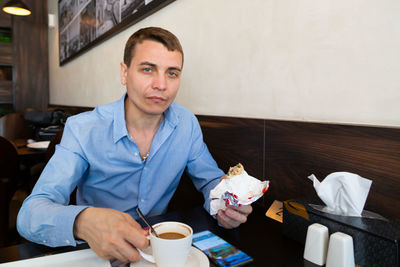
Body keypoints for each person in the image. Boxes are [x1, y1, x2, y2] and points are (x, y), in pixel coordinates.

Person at [17, 27, 252, 263]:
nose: (161, 84)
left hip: (159, 250)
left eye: (172, 73)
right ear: (124, 72)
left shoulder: (187, 125)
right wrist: (83, 221)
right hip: (95, 254)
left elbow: (210, 180)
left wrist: (226, 205)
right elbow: (30, 215)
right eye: (147, 69)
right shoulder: (83, 128)